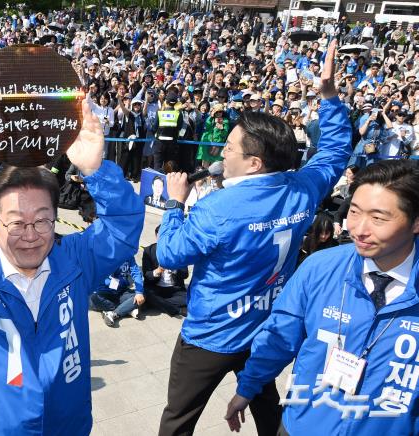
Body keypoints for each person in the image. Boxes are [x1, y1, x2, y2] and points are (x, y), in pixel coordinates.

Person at [0, 96, 144, 433]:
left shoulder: (75, 263)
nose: (30, 236)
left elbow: (123, 229)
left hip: (68, 425)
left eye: (43, 221)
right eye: (16, 223)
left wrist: (95, 170)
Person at [156, 40, 352, 435]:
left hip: (211, 334)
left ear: (254, 163)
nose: (222, 153)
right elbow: (334, 151)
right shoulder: (303, 188)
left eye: (229, 148)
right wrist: (329, 96)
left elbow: (170, 253)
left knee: (178, 418)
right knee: (267, 409)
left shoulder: (218, 208)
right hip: (265, 329)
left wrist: (176, 205)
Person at [225, 159, 419, 435]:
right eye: (354, 212)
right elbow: (280, 336)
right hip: (302, 425)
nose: (360, 229)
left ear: (415, 222)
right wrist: (247, 387)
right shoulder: (320, 267)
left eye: (378, 218)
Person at [142, 225, 188, 317]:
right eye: (161, 236)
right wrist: (157, 271)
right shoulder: (148, 251)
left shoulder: (178, 251)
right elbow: (147, 275)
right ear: (156, 236)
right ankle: (176, 310)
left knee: (189, 298)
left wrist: (174, 269)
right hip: (155, 288)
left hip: (174, 289)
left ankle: (157, 304)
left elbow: (185, 274)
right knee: (148, 293)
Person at [90, 257, 145, 327]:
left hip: (121, 291)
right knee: (93, 298)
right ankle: (126, 309)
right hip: (104, 292)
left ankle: (114, 313)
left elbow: (136, 272)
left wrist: (139, 292)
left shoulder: (128, 254)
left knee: (142, 294)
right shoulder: (102, 255)